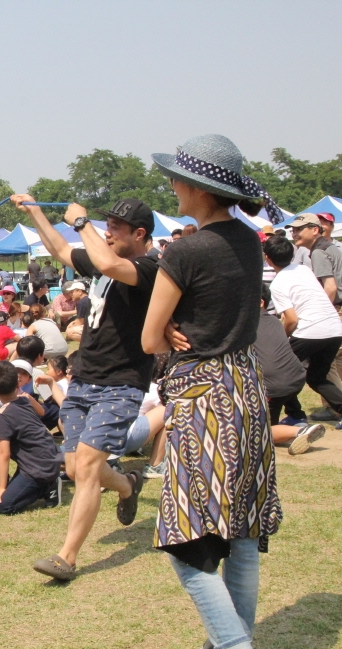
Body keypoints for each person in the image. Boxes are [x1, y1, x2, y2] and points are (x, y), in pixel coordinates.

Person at [144, 133, 284, 649]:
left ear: (198, 188)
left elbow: (149, 337)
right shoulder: (249, 240)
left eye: (176, 177)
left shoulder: (186, 251)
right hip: (246, 386)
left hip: (204, 397)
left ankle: (233, 644)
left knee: (188, 543)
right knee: (243, 532)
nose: (172, 185)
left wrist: (175, 325)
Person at [12, 194, 158, 582]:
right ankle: (127, 485)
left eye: (116, 228)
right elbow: (60, 249)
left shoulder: (149, 267)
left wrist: (82, 223)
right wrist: (35, 212)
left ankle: (67, 557)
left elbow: (108, 260)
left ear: (139, 234)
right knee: (77, 468)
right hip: (83, 381)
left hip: (121, 385)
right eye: (105, 225)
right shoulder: (104, 260)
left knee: (89, 467)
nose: (107, 233)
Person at [263, 235, 342, 419]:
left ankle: (295, 416)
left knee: (282, 370)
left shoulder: (278, 283)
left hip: (309, 331)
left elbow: (291, 319)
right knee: (316, 377)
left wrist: (282, 338)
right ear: (292, 255)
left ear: (267, 258)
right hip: (334, 328)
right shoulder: (303, 270)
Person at [0, 361, 61, 515]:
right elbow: (42, 412)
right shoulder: (24, 400)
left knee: (4, 507)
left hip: (39, 469)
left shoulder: (2, 416)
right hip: (50, 457)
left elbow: (4, 455)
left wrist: (3, 487)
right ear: (18, 384)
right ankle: (41, 483)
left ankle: (47, 487)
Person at [254, 285, 323, 455]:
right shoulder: (275, 321)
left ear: (260, 302)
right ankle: (297, 417)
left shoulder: (248, 325)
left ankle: (299, 431)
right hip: (296, 378)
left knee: (258, 435)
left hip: (275, 387)